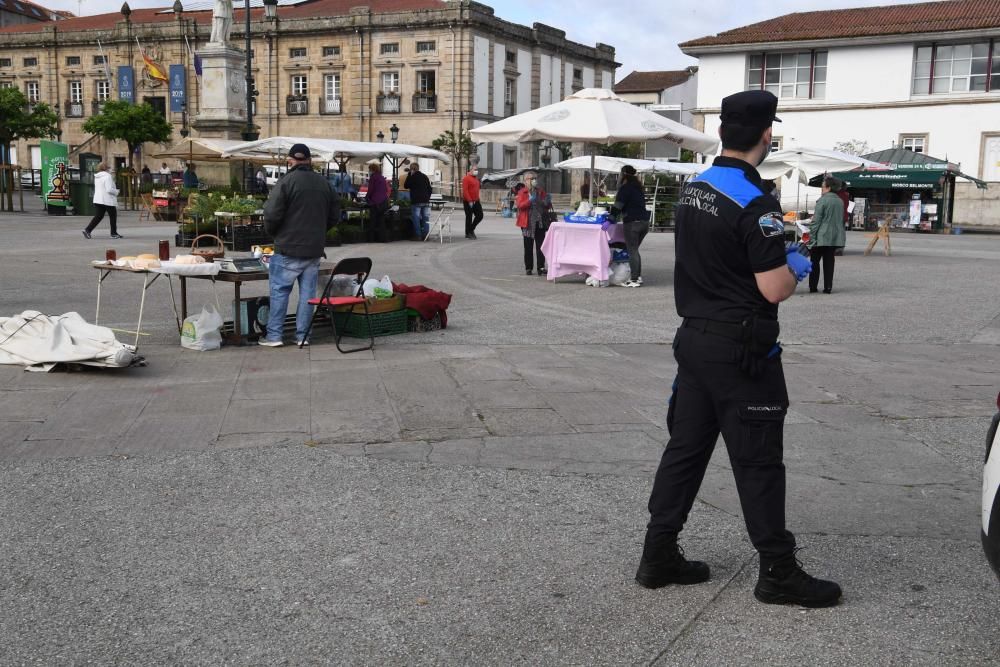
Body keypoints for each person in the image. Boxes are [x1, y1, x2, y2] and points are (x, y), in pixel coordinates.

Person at [636, 89, 841, 608]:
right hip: (742, 350)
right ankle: (777, 569)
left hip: (695, 341)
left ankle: (658, 552)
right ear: (767, 135)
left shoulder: (695, 188)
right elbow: (773, 288)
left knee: (685, 450)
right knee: (758, 461)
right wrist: (793, 264)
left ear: (723, 131)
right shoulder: (757, 200)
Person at [260, 143, 340, 347]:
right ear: (310, 160)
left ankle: (275, 336)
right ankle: (303, 336)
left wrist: (274, 233)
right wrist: (320, 231)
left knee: (279, 292)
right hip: (313, 249)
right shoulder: (324, 183)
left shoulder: (286, 182)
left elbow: (271, 214)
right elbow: (334, 216)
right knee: (308, 295)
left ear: (290, 161)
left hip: (287, 247)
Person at [611, 164, 651, 288]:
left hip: (633, 222)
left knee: (632, 250)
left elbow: (618, 206)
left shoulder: (625, 188)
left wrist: (610, 219)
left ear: (623, 175)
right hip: (644, 222)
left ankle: (634, 279)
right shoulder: (638, 188)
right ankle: (637, 276)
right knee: (634, 250)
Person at [808, 176, 846, 294]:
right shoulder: (840, 201)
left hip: (821, 235)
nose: (822, 189)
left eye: (823, 187)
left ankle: (813, 286)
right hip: (834, 236)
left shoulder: (822, 200)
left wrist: (812, 237)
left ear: (829, 188)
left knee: (814, 261)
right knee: (829, 261)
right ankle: (828, 287)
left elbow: (816, 221)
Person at [515, 174, 550, 275]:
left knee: (541, 246)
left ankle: (541, 267)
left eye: (535, 178)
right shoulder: (522, 192)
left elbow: (546, 205)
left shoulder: (540, 191)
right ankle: (529, 267)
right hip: (527, 223)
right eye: (531, 179)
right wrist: (529, 201)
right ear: (526, 181)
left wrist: (547, 201)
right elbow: (520, 206)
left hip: (539, 222)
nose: (534, 180)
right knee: (528, 246)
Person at [82, 162, 122, 239]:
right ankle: (113, 233)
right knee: (113, 216)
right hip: (107, 200)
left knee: (99, 216)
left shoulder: (97, 177)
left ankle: (88, 230)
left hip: (98, 199)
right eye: (109, 167)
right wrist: (117, 191)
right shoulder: (107, 177)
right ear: (106, 168)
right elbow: (109, 189)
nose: (110, 169)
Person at [407, 161, 433, 241]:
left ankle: (418, 235)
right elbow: (430, 188)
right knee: (426, 218)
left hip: (416, 201)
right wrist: (427, 197)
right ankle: (426, 235)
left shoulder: (412, 177)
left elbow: (406, 185)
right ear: (418, 168)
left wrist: (409, 175)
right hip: (425, 200)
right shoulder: (425, 176)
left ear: (411, 169)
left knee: (416, 218)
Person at [365, 162, 389, 243]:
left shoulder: (373, 177)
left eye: (369, 169)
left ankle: (371, 239)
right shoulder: (382, 177)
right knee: (382, 221)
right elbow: (386, 189)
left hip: (375, 202)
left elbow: (370, 189)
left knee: (373, 221)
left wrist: (367, 197)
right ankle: (383, 238)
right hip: (383, 201)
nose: (369, 171)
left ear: (372, 169)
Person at [462, 166, 483, 239]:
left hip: (476, 200)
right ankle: (468, 233)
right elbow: (465, 191)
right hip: (468, 201)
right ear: (470, 170)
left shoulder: (476, 179)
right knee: (469, 217)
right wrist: (469, 200)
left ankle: (471, 229)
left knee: (480, 215)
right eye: (475, 169)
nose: (476, 171)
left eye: (477, 169)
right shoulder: (466, 178)